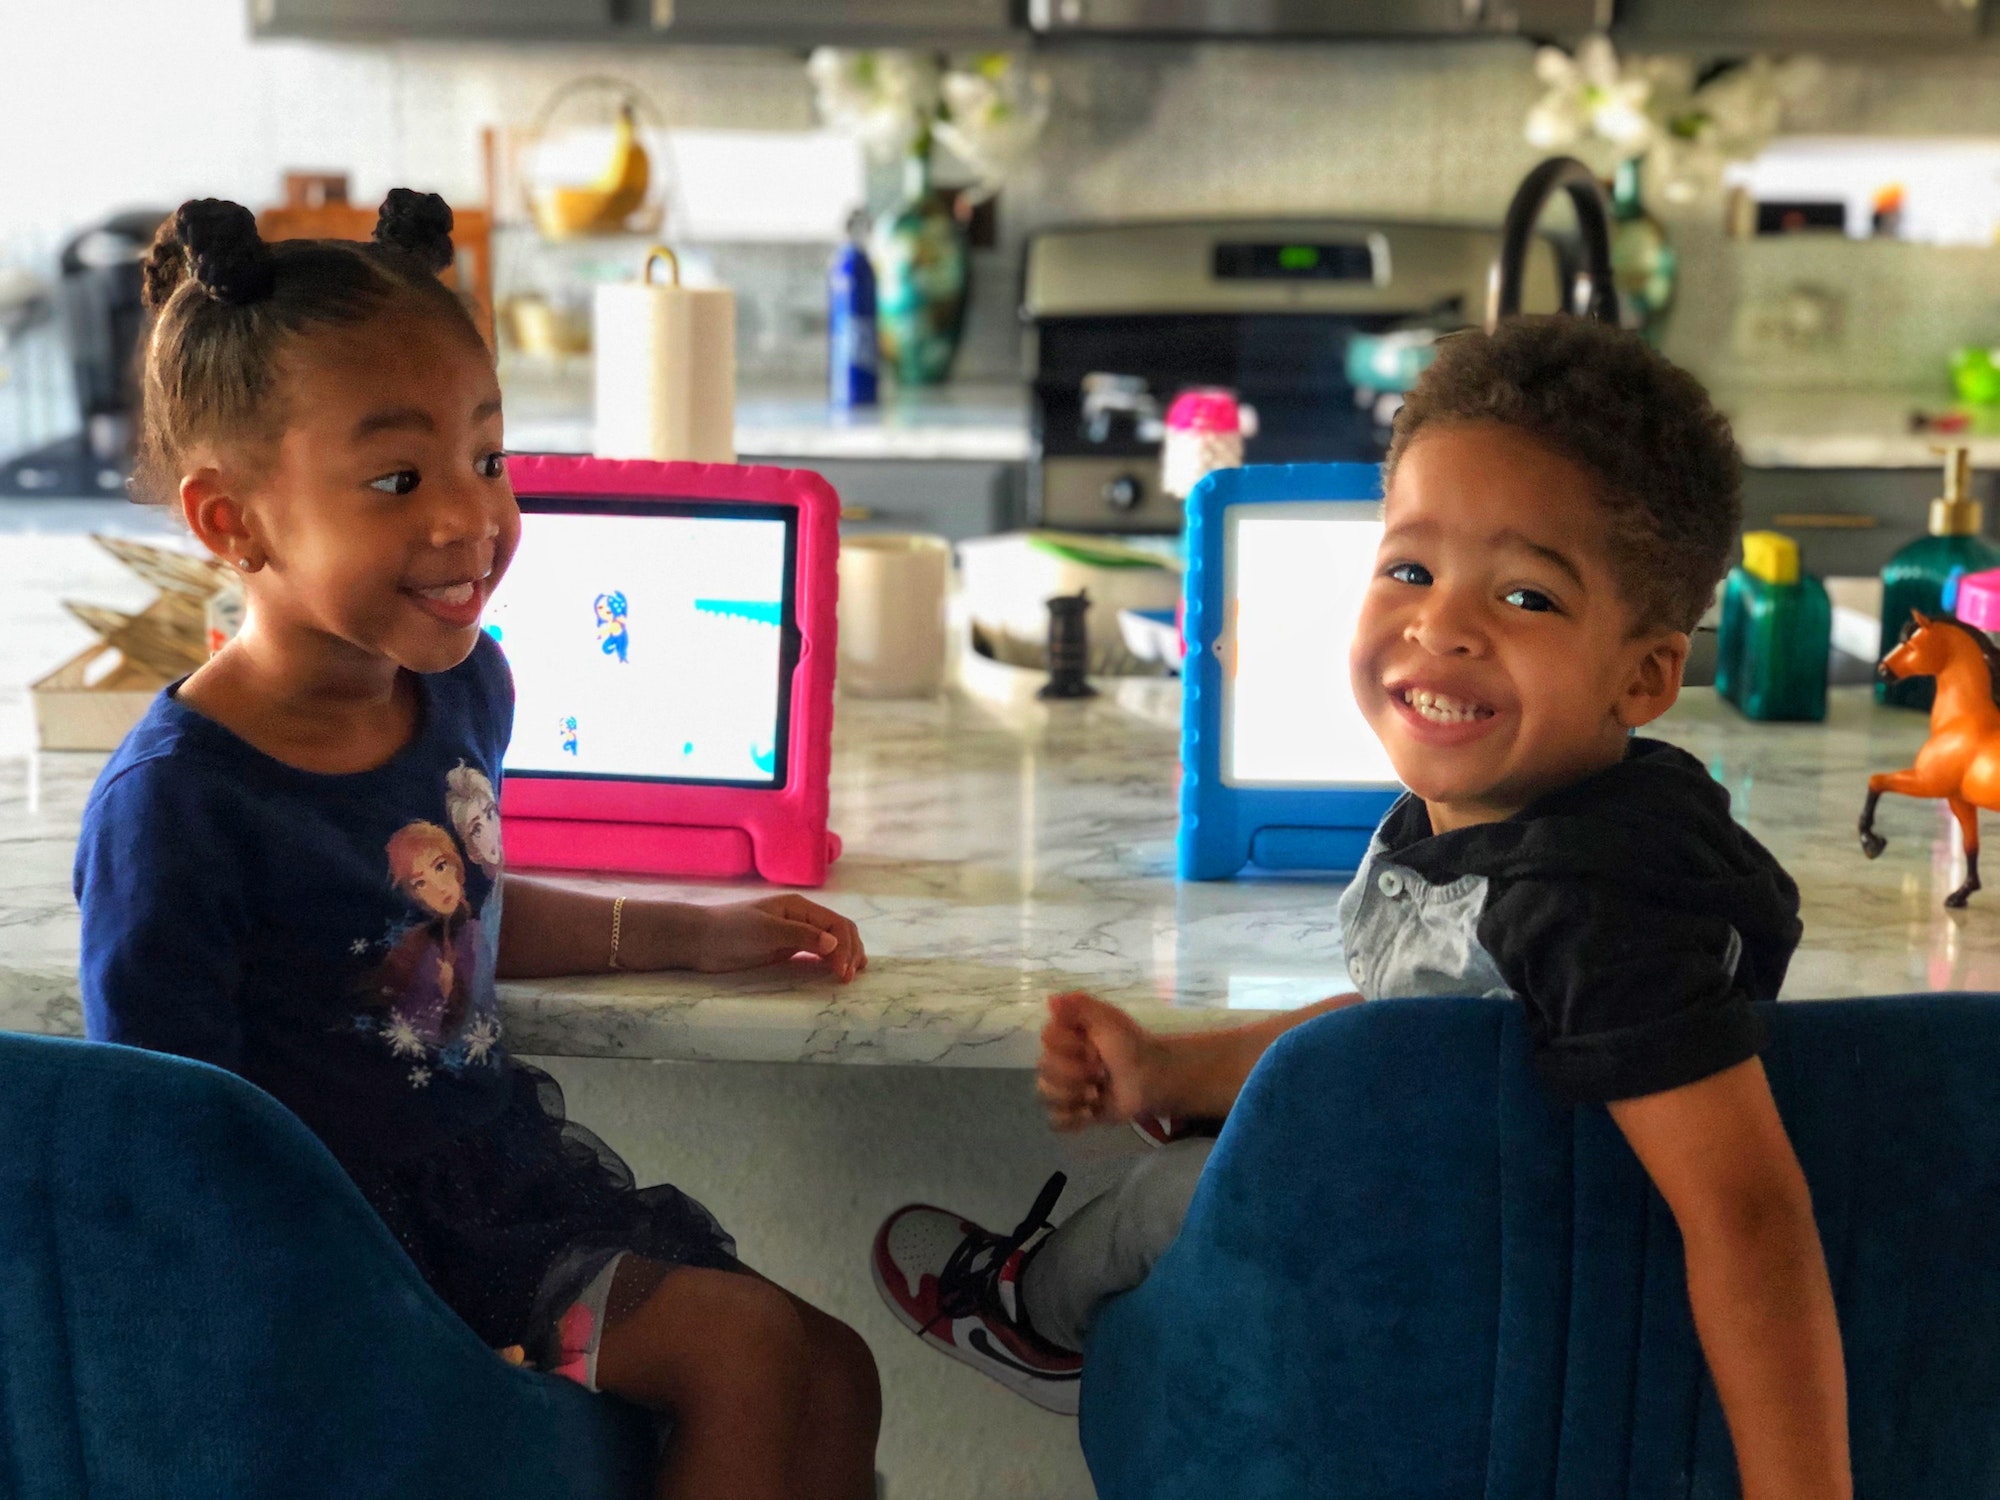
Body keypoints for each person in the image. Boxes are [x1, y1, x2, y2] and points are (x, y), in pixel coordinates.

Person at [872, 317, 1851, 1499]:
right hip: (1460, 1249)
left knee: (1175, 1192)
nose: (1441, 623)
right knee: (1209, 1141)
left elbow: (1747, 1215)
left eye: (1528, 596)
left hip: (1471, 1354)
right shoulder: (1523, 832)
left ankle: (1028, 1318)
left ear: (1643, 676)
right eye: (1408, 568)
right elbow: (1405, 1036)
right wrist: (1175, 1072)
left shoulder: (1595, 909)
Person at [76, 192, 880, 1500]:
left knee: (832, 1366)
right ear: (232, 523)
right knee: (748, 1360)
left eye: (489, 458)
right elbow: (164, 1141)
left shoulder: (456, 689)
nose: (472, 518)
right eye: (398, 478)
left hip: (496, 1191)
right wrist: (328, 1329)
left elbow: (455, 913)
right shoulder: (179, 806)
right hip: (352, 1259)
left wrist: (699, 933)